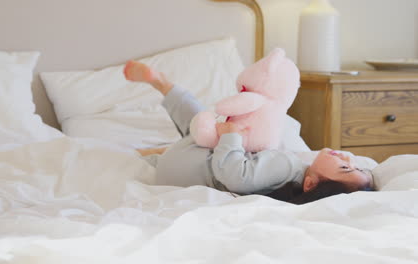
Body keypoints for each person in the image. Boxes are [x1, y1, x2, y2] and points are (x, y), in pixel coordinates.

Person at [123, 61, 374, 204]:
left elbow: (235, 176)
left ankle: (164, 85)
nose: (346, 159)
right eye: (355, 165)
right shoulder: (290, 174)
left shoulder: (287, 166)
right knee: (202, 127)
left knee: (202, 121)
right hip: (174, 170)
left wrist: (232, 135)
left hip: (184, 166)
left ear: (310, 184)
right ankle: (159, 153)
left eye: (344, 169)